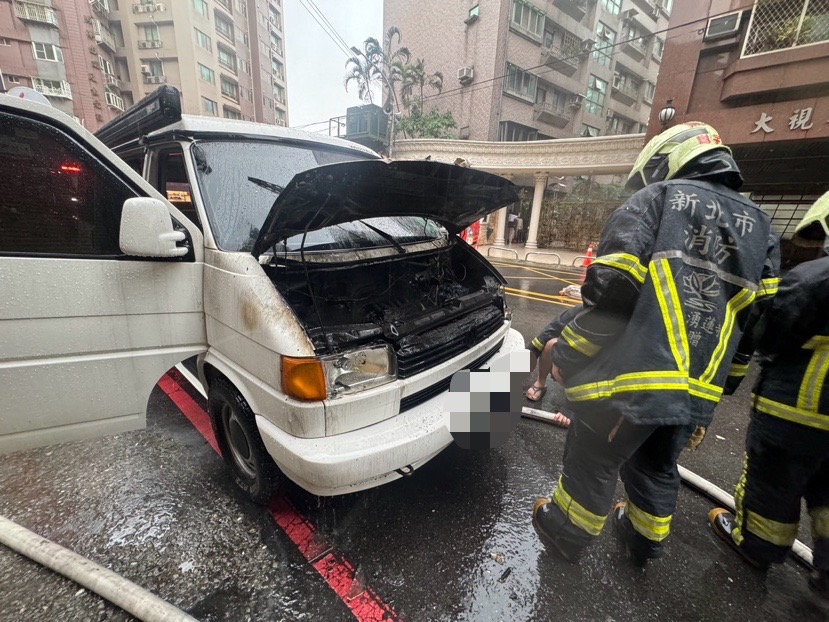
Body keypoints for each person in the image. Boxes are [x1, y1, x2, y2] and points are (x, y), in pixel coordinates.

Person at [531, 122, 781, 566]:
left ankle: (566, 532)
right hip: (696, 393)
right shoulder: (762, 229)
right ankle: (644, 540)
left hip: (631, 382)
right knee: (657, 465)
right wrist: (721, 390)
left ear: (666, 161)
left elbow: (613, 288)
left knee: (593, 460)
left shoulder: (656, 200)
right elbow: (757, 326)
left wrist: (569, 353)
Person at [708, 192, 829, 605]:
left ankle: (757, 546)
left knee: (773, 483)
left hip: (796, 412)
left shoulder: (814, 279)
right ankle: (826, 576)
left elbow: (769, 333)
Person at [526, 306, 581, 428]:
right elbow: (551, 330)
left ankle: (578, 401)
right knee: (551, 344)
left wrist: (571, 408)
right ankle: (540, 382)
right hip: (577, 361)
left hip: (600, 375)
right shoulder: (583, 310)